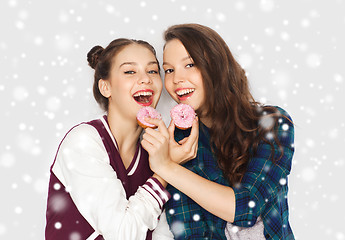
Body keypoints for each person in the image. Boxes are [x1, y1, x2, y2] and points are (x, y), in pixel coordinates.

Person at [141, 24, 295, 239]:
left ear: (216, 66)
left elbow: (247, 208)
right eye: (169, 70)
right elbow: (189, 232)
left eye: (190, 64)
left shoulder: (272, 123)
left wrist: (166, 166)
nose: (176, 79)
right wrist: (168, 163)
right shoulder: (180, 143)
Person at [45, 38, 174, 240]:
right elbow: (122, 234)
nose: (146, 79)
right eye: (130, 71)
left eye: (152, 71)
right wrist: (165, 172)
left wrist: (165, 165)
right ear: (106, 88)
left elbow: (163, 235)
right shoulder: (84, 142)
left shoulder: (154, 156)